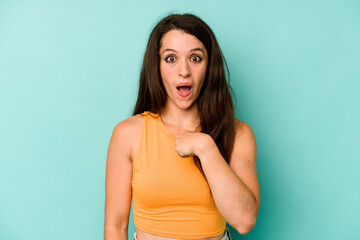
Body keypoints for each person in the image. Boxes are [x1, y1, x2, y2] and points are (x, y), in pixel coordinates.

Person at [104, 13, 260, 240]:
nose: (184, 71)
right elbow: (115, 227)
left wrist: (206, 148)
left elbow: (245, 221)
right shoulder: (127, 134)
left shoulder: (238, 135)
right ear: (156, 66)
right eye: (171, 59)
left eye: (195, 58)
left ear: (210, 66)